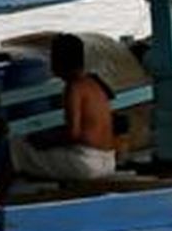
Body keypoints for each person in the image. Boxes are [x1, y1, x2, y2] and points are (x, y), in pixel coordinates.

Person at [7, 33, 115, 183]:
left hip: (86, 164)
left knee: (17, 147)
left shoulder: (74, 88)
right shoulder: (95, 82)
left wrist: (45, 141)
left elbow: (74, 134)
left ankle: (2, 196)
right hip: (109, 161)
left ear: (59, 62)